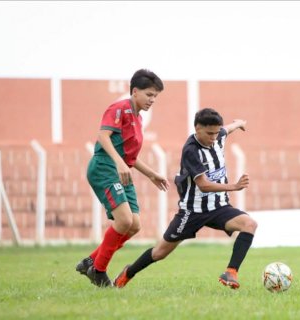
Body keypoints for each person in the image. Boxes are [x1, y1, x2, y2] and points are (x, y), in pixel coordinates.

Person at [113, 108, 257, 289]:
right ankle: (128, 273)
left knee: (249, 224)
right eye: (209, 133)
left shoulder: (218, 134)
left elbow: (227, 129)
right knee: (159, 253)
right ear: (197, 129)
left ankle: (231, 272)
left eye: (216, 133)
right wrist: (234, 187)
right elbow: (203, 185)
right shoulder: (191, 150)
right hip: (192, 211)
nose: (214, 138)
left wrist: (239, 123)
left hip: (219, 207)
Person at [75, 69, 170, 287]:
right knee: (124, 220)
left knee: (134, 225)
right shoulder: (119, 109)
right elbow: (102, 136)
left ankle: (91, 260)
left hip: (120, 171)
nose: (152, 99)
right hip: (104, 168)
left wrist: (152, 174)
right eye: (149, 94)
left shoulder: (137, 118)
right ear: (135, 91)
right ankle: (98, 270)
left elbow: (130, 158)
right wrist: (119, 163)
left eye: (155, 96)